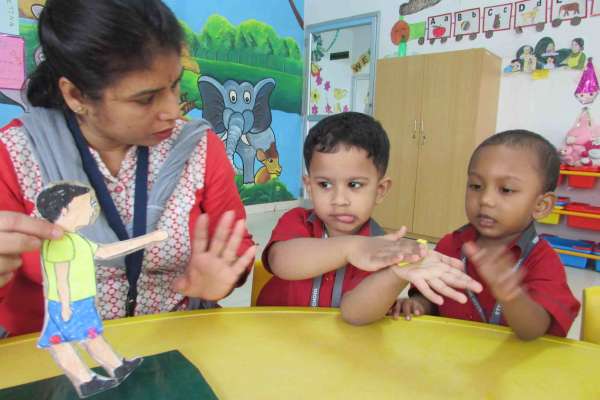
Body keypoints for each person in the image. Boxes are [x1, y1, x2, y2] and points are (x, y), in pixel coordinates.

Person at [0, 0, 255, 338]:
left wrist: (222, 279)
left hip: (172, 348)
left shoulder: (200, 147)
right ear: (77, 95)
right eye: (145, 99)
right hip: (55, 357)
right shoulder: (15, 154)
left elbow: (236, 250)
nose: (172, 110)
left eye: (175, 85)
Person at [256, 112, 482, 311]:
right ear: (309, 186)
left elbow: (354, 314)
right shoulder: (297, 221)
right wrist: (352, 248)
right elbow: (281, 262)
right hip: (274, 337)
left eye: (354, 185)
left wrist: (395, 275)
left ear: (380, 190)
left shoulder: (380, 248)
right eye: (324, 184)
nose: (339, 200)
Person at [382, 130, 579, 340]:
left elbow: (534, 331)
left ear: (541, 205)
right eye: (476, 186)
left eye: (506, 189)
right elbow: (432, 297)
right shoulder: (451, 245)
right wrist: (418, 304)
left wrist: (512, 296)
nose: (485, 199)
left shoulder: (543, 261)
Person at [37, 182, 167, 397]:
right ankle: (86, 379)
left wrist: (149, 239)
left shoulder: (76, 239)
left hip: (82, 300)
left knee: (90, 336)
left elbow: (105, 252)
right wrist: (65, 306)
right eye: (87, 204)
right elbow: (60, 278)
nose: (92, 208)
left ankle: (115, 367)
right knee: (60, 342)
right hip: (67, 303)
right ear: (65, 210)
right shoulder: (60, 242)